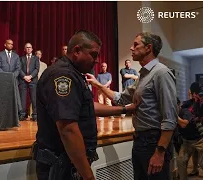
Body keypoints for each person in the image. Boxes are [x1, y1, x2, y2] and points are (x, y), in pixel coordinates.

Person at [33, 30, 135, 180]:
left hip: (69, 163)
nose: (97, 60)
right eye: (93, 54)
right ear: (77, 51)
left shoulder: (74, 74)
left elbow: (87, 107)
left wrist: (124, 109)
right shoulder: (63, 75)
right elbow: (68, 130)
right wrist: (88, 176)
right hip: (61, 164)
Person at [86, 32, 178, 180]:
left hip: (154, 143)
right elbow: (121, 98)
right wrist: (97, 84)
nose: (131, 48)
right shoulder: (144, 75)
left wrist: (160, 152)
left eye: (136, 45)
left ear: (148, 48)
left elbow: (170, 118)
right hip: (140, 141)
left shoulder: (161, 73)